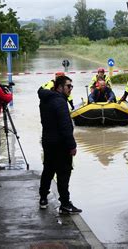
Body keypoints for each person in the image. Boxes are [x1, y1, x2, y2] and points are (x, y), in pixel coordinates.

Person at [38, 75, 82, 214]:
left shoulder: (45, 99)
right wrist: (72, 145)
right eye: (68, 86)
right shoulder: (60, 102)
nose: (70, 89)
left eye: (72, 86)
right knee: (64, 173)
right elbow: (65, 126)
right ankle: (65, 204)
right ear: (60, 87)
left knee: (48, 170)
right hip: (61, 144)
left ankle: (43, 198)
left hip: (48, 141)